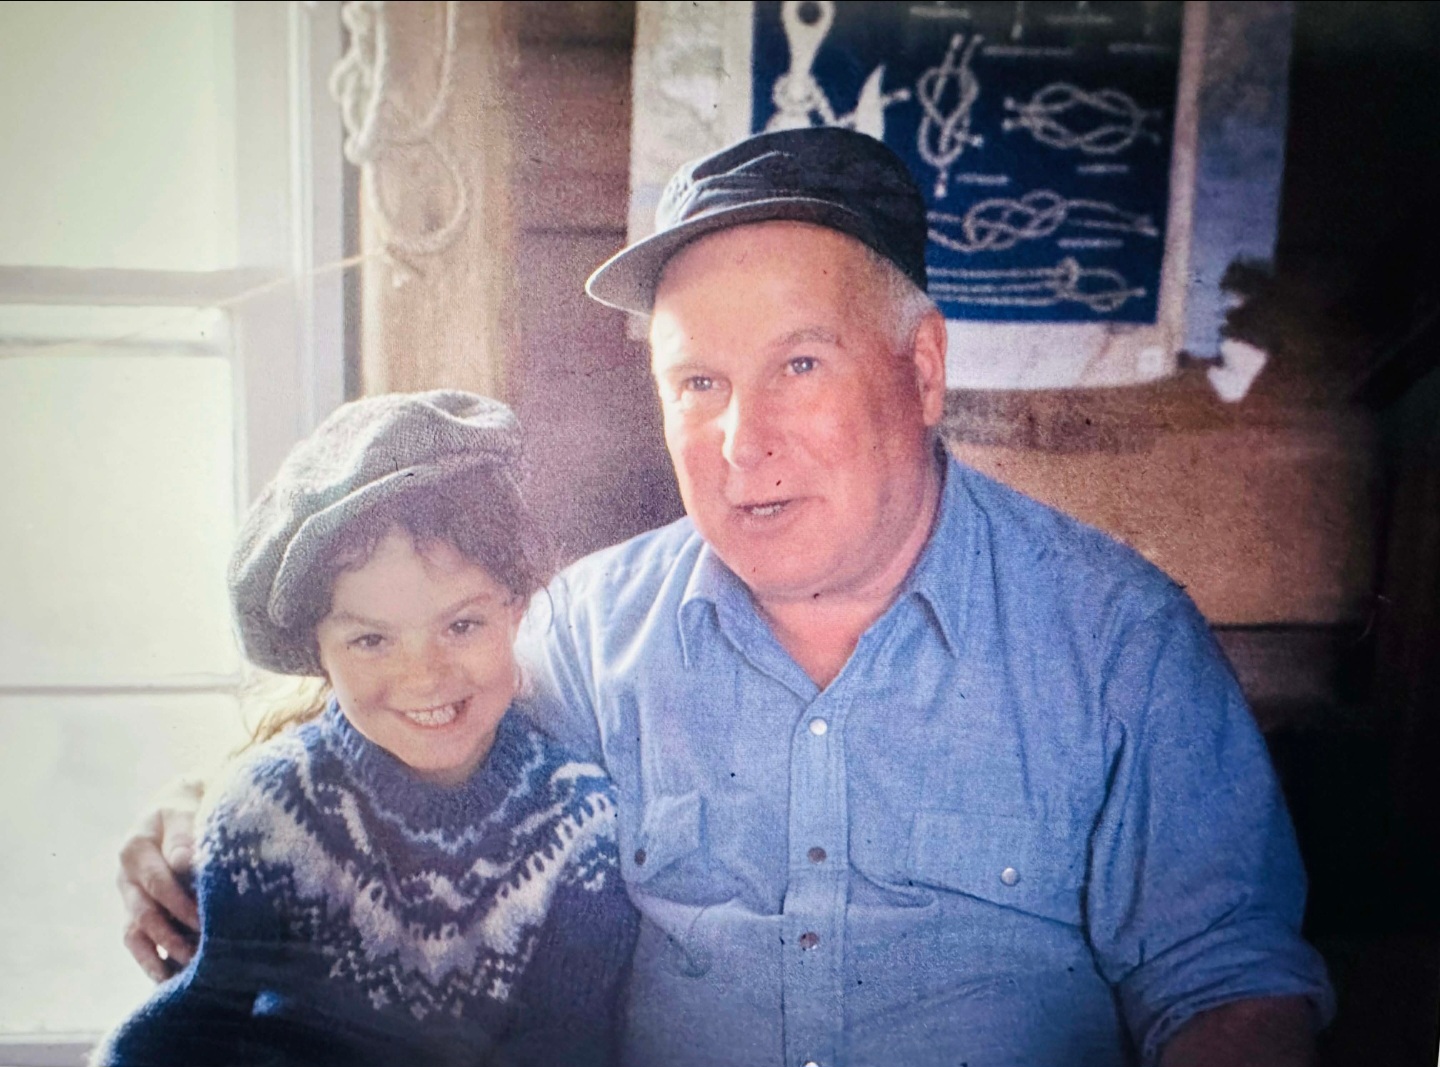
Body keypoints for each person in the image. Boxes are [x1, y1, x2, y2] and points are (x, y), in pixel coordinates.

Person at [118, 129, 1333, 1066]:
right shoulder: (587, 632)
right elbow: (407, 725)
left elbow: (1229, 991)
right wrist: (207, 808)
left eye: (799, 364)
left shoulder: (1116, 640)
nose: (743, 440)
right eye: (698, 382)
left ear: (921, 370)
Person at [100, 391, 637, 1067]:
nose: (425, 675)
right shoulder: (266, 809)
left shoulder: (580, 822)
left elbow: (566, 1047)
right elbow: (192, 1027)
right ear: (316, 653)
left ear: (518, 609)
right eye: (371, 640)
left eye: (461, 624)